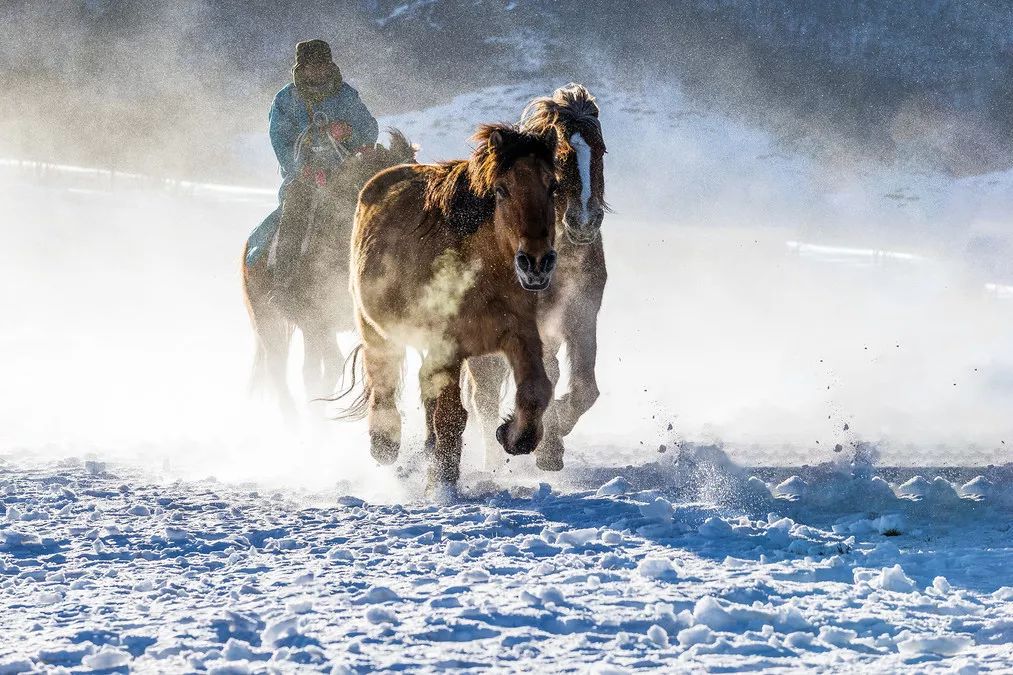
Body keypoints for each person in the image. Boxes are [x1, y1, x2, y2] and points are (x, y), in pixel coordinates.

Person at [257, 39, 379, 295]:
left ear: (330, 65)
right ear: (301, 68)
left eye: (322, 65)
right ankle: (283, 282)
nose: (318, 71)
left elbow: (369, 128)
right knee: (295, 211)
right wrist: (303, 168)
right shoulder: (285, 100)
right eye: (312, 66)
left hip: (347, 174)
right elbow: (280, 141)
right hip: (304, 177)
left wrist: (349, 132)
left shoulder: (345, 95)